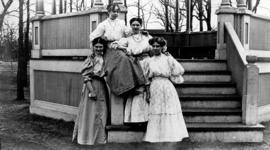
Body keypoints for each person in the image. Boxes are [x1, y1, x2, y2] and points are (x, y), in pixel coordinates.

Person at [89, 3, 146, 98]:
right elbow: (92, 37)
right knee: (123, 59)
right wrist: (99, 45)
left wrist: (140, 32)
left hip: (120, 46)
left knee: (131, 58)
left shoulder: (121, 22)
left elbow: (128, 32)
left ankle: (135, 85)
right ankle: (124, 88)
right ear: (108, 12)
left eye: (117, 11)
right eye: (113, 11)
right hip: (109, 48)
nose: (115, 13)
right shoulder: (103, 25)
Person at [143, 37, 189, 142]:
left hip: (167, 86)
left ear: (162, 47)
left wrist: (171, 58)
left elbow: (180, 70)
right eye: (153, 46)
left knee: (168, 109)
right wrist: (148, 91)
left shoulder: (168, 58)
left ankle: (170, 135)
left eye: (158, 46)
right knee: (156, 109)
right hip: (154, 86)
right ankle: (156, 136)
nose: (155, 48)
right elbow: (146, 78)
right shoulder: (148, 61)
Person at [111, 17, 152, 123]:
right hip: (134, 64)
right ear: (130, 26)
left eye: (137, 25)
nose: (135, 27)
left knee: (147, 88)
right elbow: (114, 45)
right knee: (137, 90)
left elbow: (156, 46)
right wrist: (126, 49)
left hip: (147, 63)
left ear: (141, 26)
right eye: (133, 25)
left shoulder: (147, 37)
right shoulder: (127, 39)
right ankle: (134, 119)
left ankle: (148, 118)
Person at [72, 37, 109, 145]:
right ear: (93, 47)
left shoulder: (105, 58)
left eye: (100, 47)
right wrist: (92, 91)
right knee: (90, 112)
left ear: (103, 47)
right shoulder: (90, 59)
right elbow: (86, 77)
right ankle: (87, 138)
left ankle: (99, 138)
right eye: (96, 47)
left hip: (102, 86)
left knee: (102, 111)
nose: (98, 48)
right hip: (92, 85)